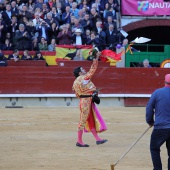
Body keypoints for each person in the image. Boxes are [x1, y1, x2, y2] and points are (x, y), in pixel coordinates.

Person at [72, 48, 107, 147]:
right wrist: (96, 59)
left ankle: (98, 139)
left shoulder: (79, 81)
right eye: (82, 69)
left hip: (86, 101)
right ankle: (79, 141)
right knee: (82, 121)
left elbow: (78, 94)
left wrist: (92, 94)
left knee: (90, 120)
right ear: (79, 73)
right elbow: (92, 71)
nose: (85, 70)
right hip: (85, 102)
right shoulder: (82, 78)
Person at [146, 74, 170, 170]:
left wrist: (150, 121)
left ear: (164, 81)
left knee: (154, 149)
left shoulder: (157, 93)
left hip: (160, 127)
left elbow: (149, 109)